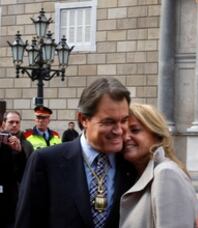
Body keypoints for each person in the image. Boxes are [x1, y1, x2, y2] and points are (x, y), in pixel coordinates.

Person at [15, 78, 137, 228]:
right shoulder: (45, 161)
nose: (119, 130)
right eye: (108, 122)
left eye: (124, 120)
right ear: (84, 119)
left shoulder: (133, 163)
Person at [119, 103, 198, 227]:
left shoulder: (166, 173)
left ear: (157, 135)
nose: (126, 138)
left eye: (135, 130)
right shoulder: (137, 174)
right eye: (122, 133)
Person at [0, 111, 31, 228]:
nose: (14, 125)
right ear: (4, 123)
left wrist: (19, 152)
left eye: (17, 122)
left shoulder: (26, 145)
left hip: (15, 198)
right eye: (11, 122)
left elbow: (24, 173)